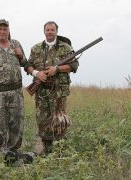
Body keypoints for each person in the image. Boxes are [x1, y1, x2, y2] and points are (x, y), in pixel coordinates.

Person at [26, 21, 79, 155]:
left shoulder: (66, 47)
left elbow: (74, 66)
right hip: (41, 91)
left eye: (52, 30)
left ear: (56, 31)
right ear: (44, 31)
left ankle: (60, 150)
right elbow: (28, 65)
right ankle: (47, 149)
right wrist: (37, 73)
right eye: (47, 30)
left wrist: (57, 69)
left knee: (59, 120)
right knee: (42, 120)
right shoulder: (36, 48)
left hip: (59, 91)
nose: (50, 32)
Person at [0, 19, 29, 152]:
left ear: (9, 31)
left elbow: (25, 63)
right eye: (0, 29)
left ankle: (13, 152)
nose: (2, 31)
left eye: (5, 29)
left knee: (17, 123)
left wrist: (21, 56)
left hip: (16, 91)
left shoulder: (16, 44)